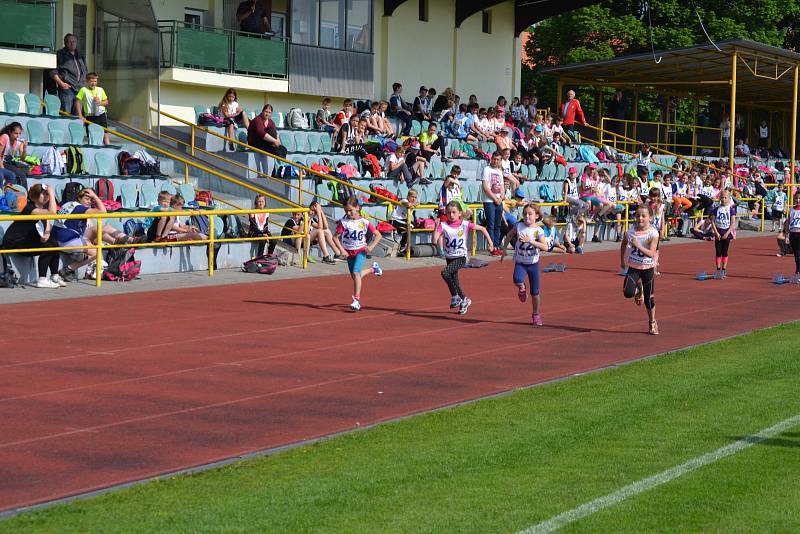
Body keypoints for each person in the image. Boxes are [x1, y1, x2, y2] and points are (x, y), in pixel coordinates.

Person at [53, 188, 130, 282]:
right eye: (87, 198)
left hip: (64, 237)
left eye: (91, 200)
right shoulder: (79, 208)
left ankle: (117, 242)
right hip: (67, 240)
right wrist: (95, 196)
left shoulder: (68, 204)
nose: (89, 201)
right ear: (79, 198)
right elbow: (103, 212)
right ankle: (69, 268)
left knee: (99, 229)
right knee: (97, 253)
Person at [432, 200, 494, 315]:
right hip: (449, 256)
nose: (451, 215)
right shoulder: (443, 225)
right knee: (455, 281)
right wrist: (436, 226)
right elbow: (434, 240)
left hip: (461, 257)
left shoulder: (465, 224)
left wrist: (490, 243)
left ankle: (455, 296)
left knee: (445, 273)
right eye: (449, 212)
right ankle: (464, 300)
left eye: (454, 212)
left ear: (460, 213)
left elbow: (483, 229)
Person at [1, 184, 62, 288]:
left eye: (47, 194)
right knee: (48, 246)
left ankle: (54, 276)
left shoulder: (41, 208)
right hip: (15, 242)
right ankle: (42, 279)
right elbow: (52, 213)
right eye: (44, 194)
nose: (47, 196)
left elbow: (47, 220)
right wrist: (52, 194)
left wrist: (46, 234)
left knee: (54, 243)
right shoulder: (30, 209)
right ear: (34, 196)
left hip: (25, 239)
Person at [500, 204, 548, 326]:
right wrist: (504, 250)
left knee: (535, 293)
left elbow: (545, 247)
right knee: (517, 279)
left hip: (533, 264)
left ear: (536, 216)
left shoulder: (539, 231)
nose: (527, 216)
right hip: (521, 262)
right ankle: (522, 288)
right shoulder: (519, 226)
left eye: (530, 214)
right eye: (525, 213)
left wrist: (531, 241)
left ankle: (536, 314)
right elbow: (509, 235)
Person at [334, 196, 383, 311]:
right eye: (346, 211)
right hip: (349, 252)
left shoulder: (364, 222)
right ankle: (373, 269)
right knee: (356, 276)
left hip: (360, 251)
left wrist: (370, 246)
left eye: (350, 210)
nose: (348, 213)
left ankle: (356, 300)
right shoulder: (344, 222)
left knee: (356, 273)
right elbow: (335, 237)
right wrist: (342, 250)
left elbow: (378, 235)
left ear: (357, 208)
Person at [620, 204, 660, 335]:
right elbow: (623, 244)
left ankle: (652, 322)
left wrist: (638, 245)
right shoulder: (630, 232)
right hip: (634, 267)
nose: (640, 218)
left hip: (648, 268)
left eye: (644, 216)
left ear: (650, 218)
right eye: (637, 216)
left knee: (649, 300)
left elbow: (651, 253)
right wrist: (622, 260)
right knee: (627, 292)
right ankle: (638, 289)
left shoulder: (653, 233)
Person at [51, 34, 87, 113]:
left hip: (80, 89)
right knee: (66, 114)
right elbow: (53, 71)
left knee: (78, 115)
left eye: (74, 41)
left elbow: (85, 71)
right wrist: (61, 83)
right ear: (65, 43)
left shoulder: (80, 55)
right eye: (69, 42)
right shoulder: (60, 54)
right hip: (67, 89)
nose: (72, 44)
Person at [247, 104, 286, 174]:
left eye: (269, 112)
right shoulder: (257, 120)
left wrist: (278, 143)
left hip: (265, 142)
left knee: (283, 149)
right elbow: (261, 133)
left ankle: (279, 170)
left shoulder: (271, 122)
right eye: (266, 111)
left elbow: (275, 134)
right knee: (277, 150)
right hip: (255, 142)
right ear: (262, 111)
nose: (267, 114)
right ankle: (273, 171)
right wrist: (274, 141)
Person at [74, 72, 110, 145]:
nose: (93, 83)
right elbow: (77, 101)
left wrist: (99, 103)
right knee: (91, 136)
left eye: (95, 81)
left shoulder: (100, 89)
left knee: (105, 134)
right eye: (91, 81)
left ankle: (108, 149)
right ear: (87, 82)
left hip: (101, 115)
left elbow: (106, 102)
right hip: (90, 116)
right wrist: (80, 115)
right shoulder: (83, 90)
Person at [482, 152, 505, 256]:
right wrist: (495, 198)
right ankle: (491, 247)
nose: (496, 161)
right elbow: (486, 187)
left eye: (498, 159)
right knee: (491, 225)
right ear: (491, 159)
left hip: (499, 201)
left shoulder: (500, 171)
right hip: (489, 201)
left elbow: (502, 187)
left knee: (498, 225)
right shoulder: (487, 169)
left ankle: (497, 245)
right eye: (494, 159)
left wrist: (501, 197)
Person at [709, 190, 737, 278]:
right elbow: (712, 221)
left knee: (725, 252)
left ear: (729, 199)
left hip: (726, 233)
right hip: (718, 233)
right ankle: (718, 270)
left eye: (725, 198)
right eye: (722, 197)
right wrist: (716, 233)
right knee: (718, 252)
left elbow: (732, 223)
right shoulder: (716, 209)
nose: (723, 199)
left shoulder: (731, 209)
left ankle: (724, 270)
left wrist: (727, 233)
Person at [391, 188, 419, 252]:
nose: (414, 199)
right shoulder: (404, 200)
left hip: (403, 219)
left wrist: (415, 204)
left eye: (415, 197)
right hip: (395, 219)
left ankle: (402, 242)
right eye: (412, 197)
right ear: (408, 196)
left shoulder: (412, 203)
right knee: (410, 225)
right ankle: (397, 234)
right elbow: (408, 205)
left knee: (413, 225)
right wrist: (415, 204)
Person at [783, 195, 800, 273]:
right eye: (796, 198)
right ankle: (798, 270)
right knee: (796, 254)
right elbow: (788, 223)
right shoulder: (791, 210)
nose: (798, 200)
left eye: (799, 198)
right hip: (793, 234)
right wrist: (786, 235)